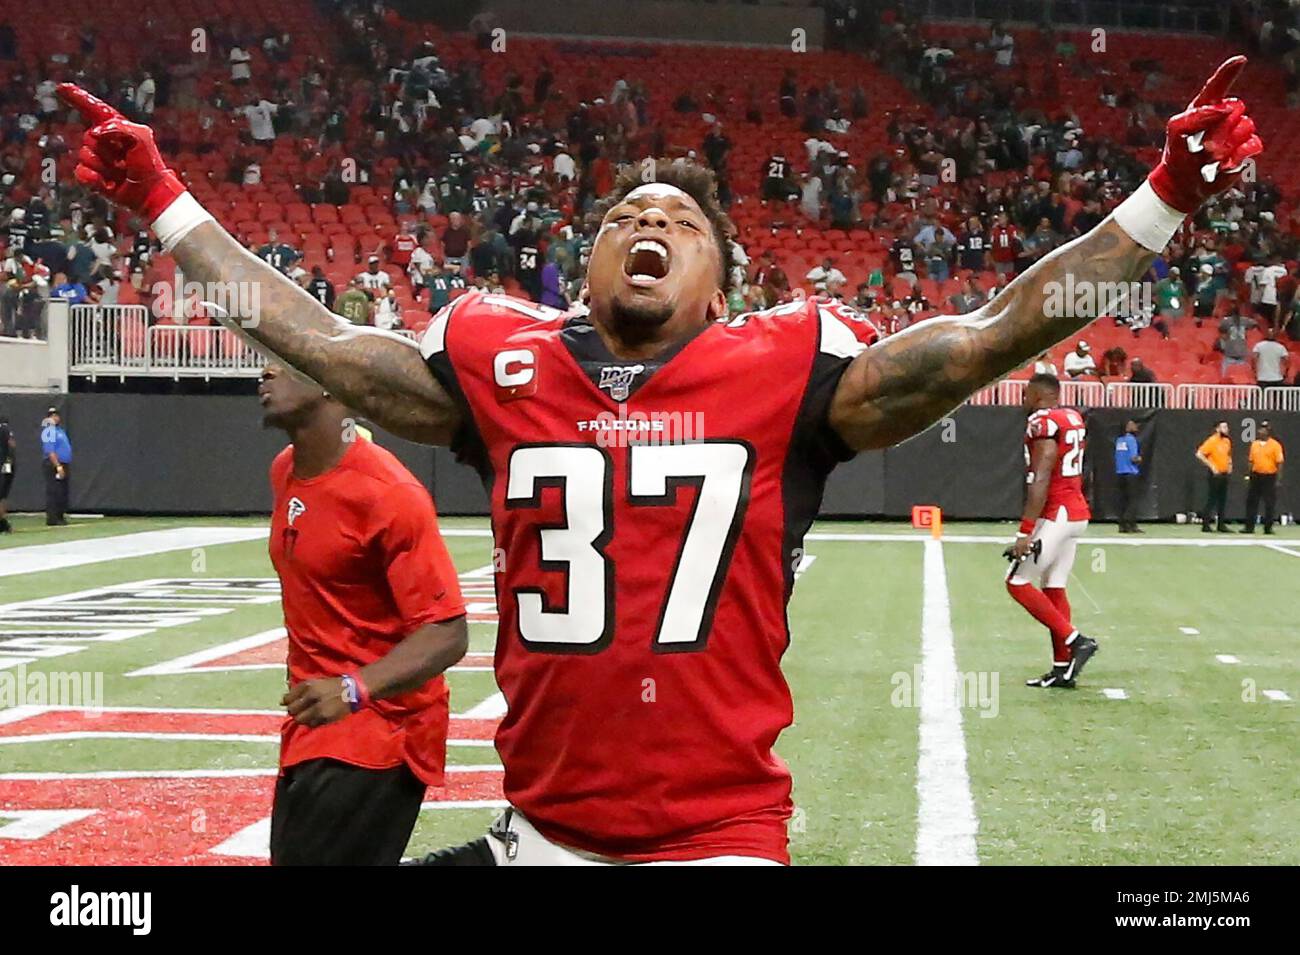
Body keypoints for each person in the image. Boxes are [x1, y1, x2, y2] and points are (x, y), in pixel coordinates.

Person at [58, 57, 1261, 864]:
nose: (648, 223)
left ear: (721, 287)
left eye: (680, 221)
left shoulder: (786, 367)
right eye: (622, 215)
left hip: (715, 840)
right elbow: (314, 334)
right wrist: (162, 199)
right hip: (537, 834)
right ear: (584, 261)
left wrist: (1161, 200)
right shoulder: (499, 356)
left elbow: (995, 331)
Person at [259, 363, 469, 865]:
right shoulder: (285, 469)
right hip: (315, 723)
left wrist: (354, 688)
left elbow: (448, 631)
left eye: (285, 363)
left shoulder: (389, 494)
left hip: (380, 729)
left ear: (335, 386)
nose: (265, 371)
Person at [1006, 374, 1099, 688]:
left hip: (1057, 513)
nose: (1022, 401)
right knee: (1054, 586)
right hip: (1075, 511)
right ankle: (1062, 669)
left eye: (1025, 395)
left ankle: (1076, 640)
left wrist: (1025, 532)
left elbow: (1041, 477)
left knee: (1016, 582)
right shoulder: (1071, 416)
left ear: (1037, 395)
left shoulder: (1042, 421)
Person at [1242, 421, 1283, 534]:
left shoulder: (1275, 445)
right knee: (1251, 502)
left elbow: (1279, 463)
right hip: (1256, 476)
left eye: (1264, 429)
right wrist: (1248, 475)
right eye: (1260, 429)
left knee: (1269, 503)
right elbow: (1251, 461)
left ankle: (1268, 527)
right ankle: (1249, 527)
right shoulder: (1254, 444)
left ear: (1268, 432)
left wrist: (1278, 479)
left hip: (1269, 476)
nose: (1261, 431)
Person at [1196, 420, 1233, 532]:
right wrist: (1212, 467)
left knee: (1222, 500)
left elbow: (1228, 454)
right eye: (1224, 427)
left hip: (1224, 473)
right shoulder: (1212, 441)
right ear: (1217, 429)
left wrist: (1230, 464)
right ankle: (1206, 524)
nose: (1226, 429)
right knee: (1212, 500)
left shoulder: (1227, 441)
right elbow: (1199, 454)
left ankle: (1221, 524)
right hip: (1215, 475)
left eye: (1227, 427)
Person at [40, 406, 71, 526]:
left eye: (56, 415)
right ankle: (52, 518)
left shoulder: (60, 431)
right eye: (52, 416)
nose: (55, 418)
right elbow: (50, 451)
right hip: (53, 464)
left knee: (62, 491)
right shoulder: (48, 431)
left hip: (64, 463)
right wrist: (57, 466)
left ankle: (60, 516)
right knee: (54, 491)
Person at [1114, 419, 1143, 533]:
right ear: (1127, 427)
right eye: (1132, 424)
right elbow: (1133, 458)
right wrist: (1140, 459)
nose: (1135, 426)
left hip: (1120, 472)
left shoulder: (1119, 440)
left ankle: (1122, 525)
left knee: (1122, 500)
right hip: (1131, 473)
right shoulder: (1131, 440)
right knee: (1132, 500)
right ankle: (1131, 524)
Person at [0, 412, 13, 534]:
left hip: (4, 465)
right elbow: (11, 446)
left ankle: (2, 522)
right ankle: (2, 522)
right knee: (2, 495)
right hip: (4, 465)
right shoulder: (5, 429)